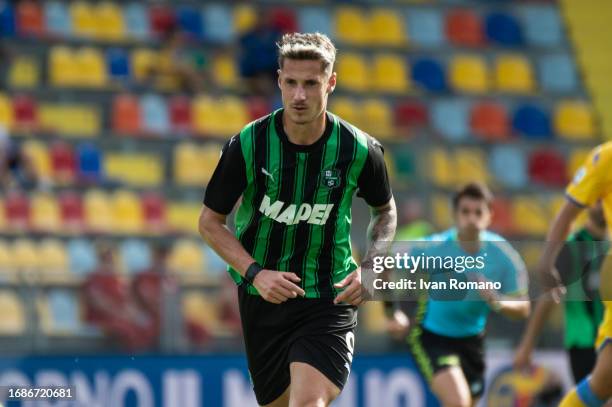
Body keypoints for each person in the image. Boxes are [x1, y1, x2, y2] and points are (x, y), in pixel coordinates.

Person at [199, 32, 397, 407]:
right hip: (263, 295)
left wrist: (373, 266)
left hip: (329, 293)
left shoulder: (359, 149)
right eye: (291, 83)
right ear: (279, 80)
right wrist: (256, 273)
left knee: (307, 403)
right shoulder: (248, 143)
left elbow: (385, 211)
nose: (299, 95)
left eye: (311, 83)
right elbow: (210, 221)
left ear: (331, 83)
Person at [385, 183, 530, 407]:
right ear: (454, 215)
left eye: (478, 212)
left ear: (490, 216)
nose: (471, 218)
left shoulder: (503, 256)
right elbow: (385, 260)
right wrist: (391, 312)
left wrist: (498, 301)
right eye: (465, 212)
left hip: (473, 341)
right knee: (458, 402)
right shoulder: (435, 248)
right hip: (432, 337)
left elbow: (523, 308)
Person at [536, 142, 612, 407]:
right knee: (602, 384)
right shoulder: (606, 158)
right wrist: (547, 260)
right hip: (582, 337)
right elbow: (569, 211)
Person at [514, 202, 608, 383]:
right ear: (588, 202)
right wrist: (528, 344)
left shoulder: (609, 244)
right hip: (584, 344)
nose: (602, 206)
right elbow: (549, 295)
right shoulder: (572, 246)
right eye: (598, 200)